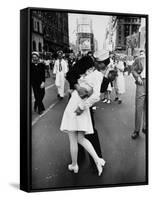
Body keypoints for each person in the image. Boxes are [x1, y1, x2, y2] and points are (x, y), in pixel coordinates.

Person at [60, 55, 107, 176]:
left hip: (77, 105)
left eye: (98, 62)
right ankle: (97, 160)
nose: (95, 64)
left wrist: (81, 99)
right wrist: (79, 88)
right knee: (81, 138)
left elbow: (94, 94)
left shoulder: (92, 74)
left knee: (74, 139)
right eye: (96, 62)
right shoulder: (93, 73)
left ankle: (75, 164)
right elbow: (72, 76)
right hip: (83, 105)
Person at [131, 50, 146, 139]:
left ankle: (145, 127)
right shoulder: (139, 59)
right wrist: (137, 77)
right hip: (142, 83)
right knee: (139, 107)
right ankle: (136, 130)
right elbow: (133, 70)